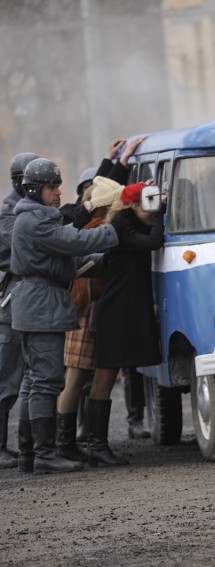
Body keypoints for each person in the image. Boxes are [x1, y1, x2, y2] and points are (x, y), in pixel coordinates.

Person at [11, 158, 118, 475]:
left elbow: (67, 251)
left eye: (57, 185)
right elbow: (74, 241)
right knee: (46, 381)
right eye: (52, 187)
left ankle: (30, 454)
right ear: (35, 190)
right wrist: (116, 228)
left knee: (34, 382)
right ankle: (44, 454)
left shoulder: (33, 220)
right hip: (41, 305)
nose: (59, 192)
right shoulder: (35, 222)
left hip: (36, 303)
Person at [87, 179, 162, 467]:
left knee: (106, 376)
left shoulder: (128, 220)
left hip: (123, 309)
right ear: (132, 205)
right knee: (104, 377)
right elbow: (154, 241)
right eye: (147, 204)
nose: (152, 208)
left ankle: (96, 444)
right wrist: (160, 215)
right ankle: (97, 445)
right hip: (116, 312)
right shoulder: (121, 226)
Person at [0, 152, 38, 469]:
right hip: (10, 307)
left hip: (26, 302)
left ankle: (31, 447)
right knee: (7, 381)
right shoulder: (8, 213)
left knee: (30, 379)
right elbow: (27, 250)